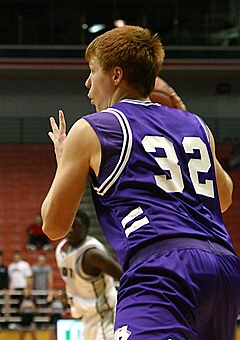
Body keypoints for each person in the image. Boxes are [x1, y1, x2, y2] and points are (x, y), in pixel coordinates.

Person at [41, 24, 240, 340]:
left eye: (93, 71)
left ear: (116, 75)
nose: (88, 84)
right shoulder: (196, 124)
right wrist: (183, 119)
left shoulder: (96, 128)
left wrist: (64, 161)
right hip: (223, 270)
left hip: (162, 269)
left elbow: (53, 226)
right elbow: (224, 197)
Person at [54, 209, 121, 340]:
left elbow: (122, 275)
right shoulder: (64, 249)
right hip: (88, 317)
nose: (71, 230)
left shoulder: (92, 254)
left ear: (86, 229)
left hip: (105, 316)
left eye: (77, 226)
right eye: (69, 225)